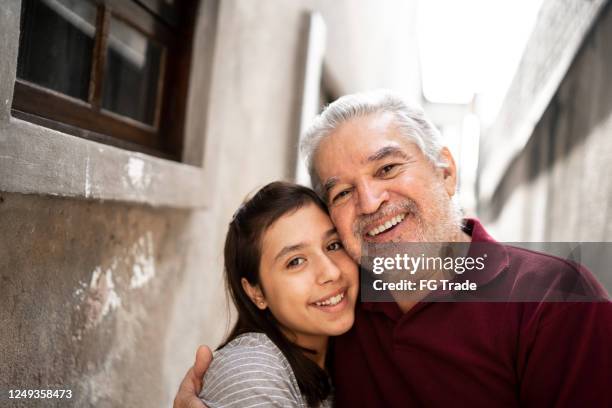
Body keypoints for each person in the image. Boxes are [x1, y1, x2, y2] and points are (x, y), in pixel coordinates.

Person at [175, 90, 612, 407]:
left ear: (445, 171)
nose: (370, 202)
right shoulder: (340, 304)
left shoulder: (554, 298)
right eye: (342, 192)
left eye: (387, 168)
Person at [194, 181, 358, 407]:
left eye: (333, 245)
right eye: (296, 261)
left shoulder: (340, 357)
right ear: (256, 292)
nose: (331, 272)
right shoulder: (251, 370)